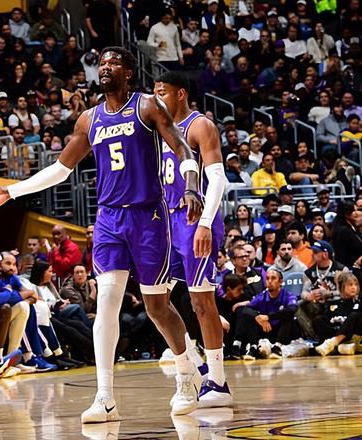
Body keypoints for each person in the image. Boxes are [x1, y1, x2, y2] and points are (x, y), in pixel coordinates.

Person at [0, 47, 204, 421]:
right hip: (109, 219)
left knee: (156, 307)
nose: (106, 67)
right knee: (107, 303)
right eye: (102, 63)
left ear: (128, 72)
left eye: (114, 63)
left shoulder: (147, 106)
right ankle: (105, 398)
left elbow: (181, 147)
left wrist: (192, 185)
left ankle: (185, 374)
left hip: (148, 216)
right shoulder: (89, 118)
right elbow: (59, 169)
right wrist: (11, 191)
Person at [154, 72, 231, 408]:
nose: (157, 98)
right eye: (154, 93)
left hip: (193, 219)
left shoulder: (200, 126)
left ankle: (218, 382)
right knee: (156, 300)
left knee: (201, 301)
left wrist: (205, 224)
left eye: (162, 92)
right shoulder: (159, 129)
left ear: (180, 94)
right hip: (165, 220)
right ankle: (194, 361)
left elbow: (218, 180)